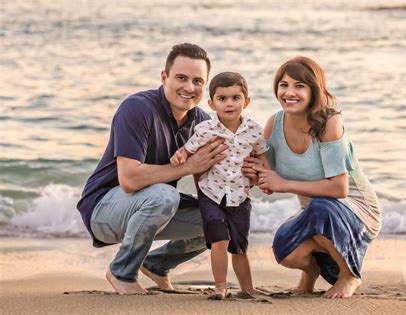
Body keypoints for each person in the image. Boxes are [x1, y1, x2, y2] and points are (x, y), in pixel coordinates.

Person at [76, 43, 229, 295]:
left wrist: (257, 172)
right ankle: (122, 272)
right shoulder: (137, 108)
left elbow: (220, 173)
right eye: (181, 78)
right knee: (164, 195)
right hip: (103, 210)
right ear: (164, 77)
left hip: (152, 209)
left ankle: (157, 264)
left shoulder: (202, 123)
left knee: (222, 216)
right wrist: (188, 166)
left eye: (198, 81)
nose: (189, 87)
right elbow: (129, 179)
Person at [243, 56, 382, 298]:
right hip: (315, 216)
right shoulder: (274, 123)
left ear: (314, 90)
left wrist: (283, 184)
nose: (289, 92)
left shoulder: (329, 123)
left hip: (356, 212)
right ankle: (311, 271)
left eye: (299, 86)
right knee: (284, 248)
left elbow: (340, 189)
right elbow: (269, 178)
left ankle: (349, 275)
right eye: (284, 85)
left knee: (320, 209)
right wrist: (256, 176)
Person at [170, 72, 269, 299]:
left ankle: (247, 288)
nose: (230, 104)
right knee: (219, 239)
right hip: (211, 193)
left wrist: (265, 178)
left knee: (240, 246)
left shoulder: (254, 130)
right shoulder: (205, 129)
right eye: (222, 99)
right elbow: (189, 149)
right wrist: (179, 155)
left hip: (239, 197)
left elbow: (263, 158)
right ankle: (220, 286)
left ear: (246, 101)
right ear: (212, 103)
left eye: (236, 98)